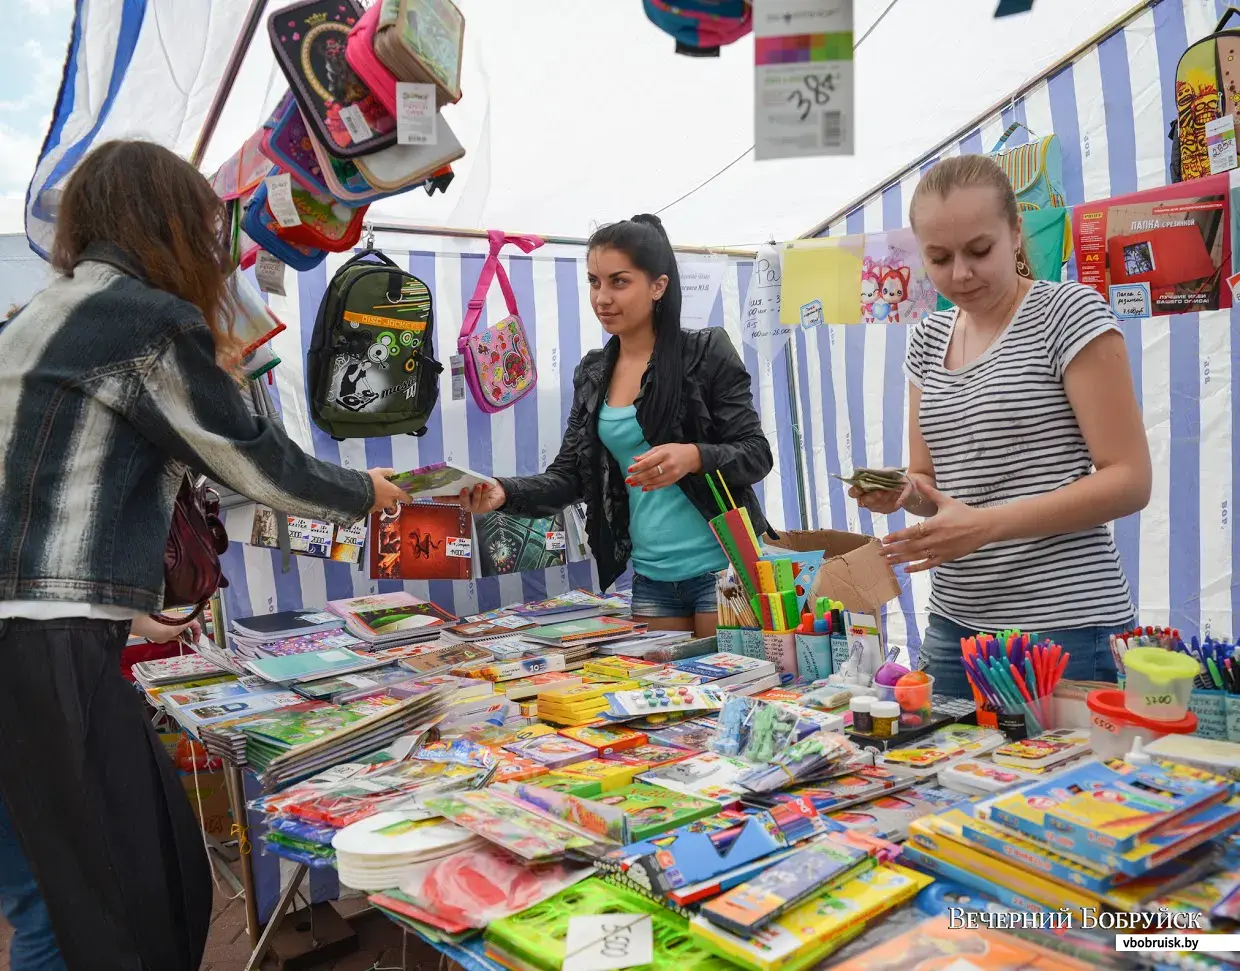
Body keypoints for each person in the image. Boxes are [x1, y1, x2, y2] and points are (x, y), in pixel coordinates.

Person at [0, 140, 409, 971]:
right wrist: (371, 492)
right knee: (123, 908)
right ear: (173, 225)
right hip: (45, 654)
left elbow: (48, 484)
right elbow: (258, 462)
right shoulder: (145, 320)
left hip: (36, 639)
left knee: (50, 894)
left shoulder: (34, 317)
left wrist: (120, 592)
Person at [855, 155, 1150, 698]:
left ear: (1016, 232)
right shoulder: (926, 340)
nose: (960, 274)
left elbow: (1129, 478)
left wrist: (985, 525)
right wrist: (901, 491)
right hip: (953, 622)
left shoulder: (1067, 314)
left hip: (1063, 623)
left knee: (1061, 783)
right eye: (939, 258)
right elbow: (929, 480)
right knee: (938, 779)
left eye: (979, 250)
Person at [460, 215, 772, 638]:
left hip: (724, 569)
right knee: (672, 699)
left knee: (734, 693)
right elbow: (570, 476)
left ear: (658, 286)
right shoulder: (593, 372)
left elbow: (756, 453)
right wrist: (503, 491)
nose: (602, 298)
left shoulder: (705, 352)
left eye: (619, 282)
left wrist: (694, 456)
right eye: (594, 282)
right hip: (652, 576)